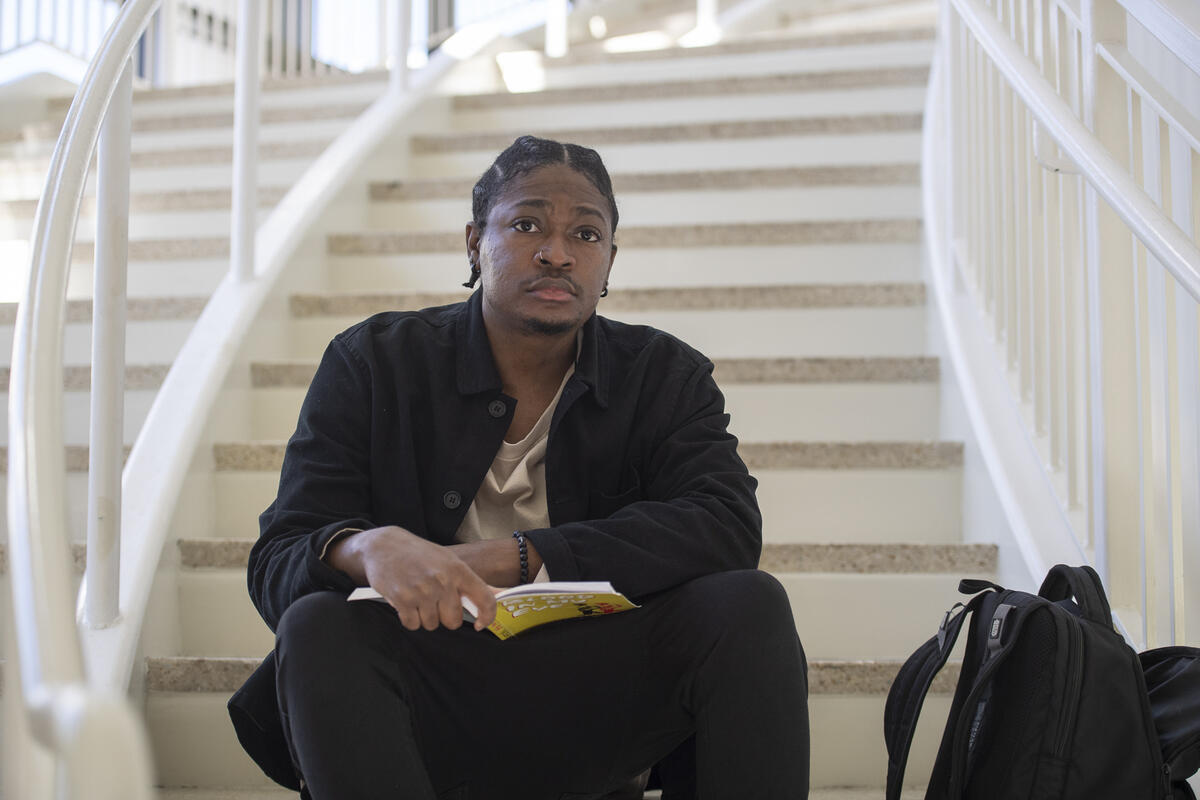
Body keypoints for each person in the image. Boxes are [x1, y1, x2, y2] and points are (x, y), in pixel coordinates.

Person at [228, 135, 810, 800]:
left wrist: (518, 557)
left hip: (599, 684)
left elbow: (726, 523)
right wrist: (362, 548)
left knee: (748, 604)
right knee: (316, 624)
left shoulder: (664, 375)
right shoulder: (374, 362)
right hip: (428, 685)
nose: (557, 253)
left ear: (609, 262)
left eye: (586, 234)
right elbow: (278, 558)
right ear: (475, 242)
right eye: (527, 225)